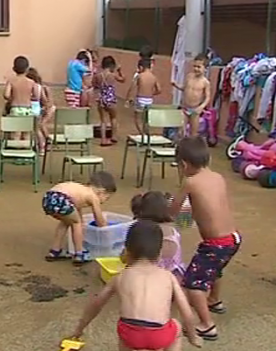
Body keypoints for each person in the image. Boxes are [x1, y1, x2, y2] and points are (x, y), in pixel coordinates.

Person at [69, 220, 201, 351]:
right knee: (176, 327)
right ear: (159, 254)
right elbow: (187, 313)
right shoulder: (168, 277)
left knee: (124, 333)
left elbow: (96, 304)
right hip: (159, 333)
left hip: (130, 333)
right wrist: (192, 336)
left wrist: (79, 329)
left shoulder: (120, 276)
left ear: (126, 252)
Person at [171, 136, 241, 341]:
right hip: (233, 238)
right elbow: (208, 206)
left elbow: (174, 212)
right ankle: (214, 300)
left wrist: (166, 205)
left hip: (215, 243)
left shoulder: (190, 182)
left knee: (193, 284)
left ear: (184, 164)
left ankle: (206, 325)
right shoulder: (218, 177)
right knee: (214, 269)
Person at [42, 171, 116, 265]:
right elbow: (99, 219)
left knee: (66, 221)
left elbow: (77, 211)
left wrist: (81, 222)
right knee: (76, 223)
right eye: (107, 198)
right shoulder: (93, 196)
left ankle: (54, 251)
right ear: (101, 192)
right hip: (61, 199)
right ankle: (79, 253)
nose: (105, 201)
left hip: (48, 199)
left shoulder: (80, 191)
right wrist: (107, 229)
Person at [129, 192, 185, 280]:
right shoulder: (173, 231)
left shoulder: (143, 232)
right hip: (176, 277)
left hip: (152, 279)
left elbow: (127, 257)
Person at [172, 54, 211, 137]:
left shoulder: (205, 82)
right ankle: (181, 145)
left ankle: (191, 145)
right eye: (194, 66)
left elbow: (207, 97)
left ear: (205, 69)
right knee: (181, 131)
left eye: (199, 67)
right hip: (185, 108)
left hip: (195, 109)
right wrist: (176, 85)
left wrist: (201, 107)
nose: (196, 69)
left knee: (193, 133)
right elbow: (184, 88)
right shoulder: (189, 76)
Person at [93, 55, 125, 146]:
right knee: (113, 118)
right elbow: (123, 79)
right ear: (112, 65)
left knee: (103, 121)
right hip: (111, 99)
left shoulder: (98, 76)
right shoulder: (112, 75)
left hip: (102, 98)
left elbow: (94, 84)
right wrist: (119, 71)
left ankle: (103, 139)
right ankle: (113, 137)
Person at [126, 58, 161, 135]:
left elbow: (132, 87)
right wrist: (152, 93)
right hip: (149, 100)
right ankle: (146, 133)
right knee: (146, 119)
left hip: (140, 99)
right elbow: (159, 90)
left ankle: (142, 133)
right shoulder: (154, 77)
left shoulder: (139, 76)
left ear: (141, 67)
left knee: (137, 118)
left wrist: (128, 99)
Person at [27, 67, 53, 153]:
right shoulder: (39, 86)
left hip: (41, 108)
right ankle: (44, 142)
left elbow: (47, 102)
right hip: (39, 108)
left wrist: (45, 108)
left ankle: (43, 144)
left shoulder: (36, 86)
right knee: (38, 126)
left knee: (38, 126)